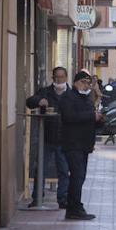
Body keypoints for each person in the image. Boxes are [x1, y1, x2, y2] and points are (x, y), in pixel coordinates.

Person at [59, 70, 103, 220]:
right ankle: (75, 208)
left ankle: (74, 207)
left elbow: (89, 118)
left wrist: (99, 119)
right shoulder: (68, 97)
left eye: (88, 83)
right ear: (75, 83)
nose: (86, 86)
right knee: (77, 176)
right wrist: (92, 116)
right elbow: (70, 117)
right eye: (83, 82)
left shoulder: (87, 99)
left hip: (84, 144)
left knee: (80, 177)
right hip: (73, 144)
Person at [26, 66, 71, 207]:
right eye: (57, 77)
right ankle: (37, 198)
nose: (59, 79)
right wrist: (38, 101)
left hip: (64, 139)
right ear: (53, 78)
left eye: (62, 77)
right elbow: (29, 101)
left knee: (64, 170)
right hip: (46, 138)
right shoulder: (45, 92)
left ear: (66, 77)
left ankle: (63, 199)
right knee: (41, 169)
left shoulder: (71, 94)